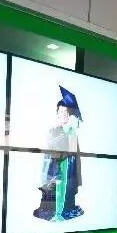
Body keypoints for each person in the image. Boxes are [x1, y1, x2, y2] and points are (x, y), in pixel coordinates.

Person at [33, 86, 84, 222]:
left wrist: (72, 133)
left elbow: (74, 154)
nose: (63, 114)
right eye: (61, 112)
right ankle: (55, 212)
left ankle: (64, 210)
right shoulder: (53, 131)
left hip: (69, 169)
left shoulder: (72, 132)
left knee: (67, 192)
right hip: (56, 168)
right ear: (57, 113)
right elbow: (52, 152)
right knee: (54, 192)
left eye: (66, 112)